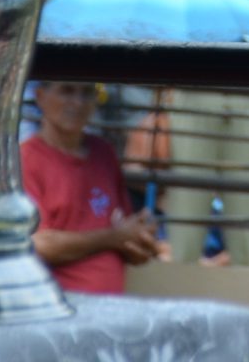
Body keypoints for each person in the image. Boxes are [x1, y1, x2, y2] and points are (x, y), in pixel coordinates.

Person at [24, 78, 161, 293]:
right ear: (40, 97)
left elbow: (123, 233)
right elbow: (37, 244)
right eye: (67, 90)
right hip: (60, 307)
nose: (77, 103)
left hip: (109, 308)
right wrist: (114, 237)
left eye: (87, 92)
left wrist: (140, 238)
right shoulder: (26, 158)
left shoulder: (103, 152)